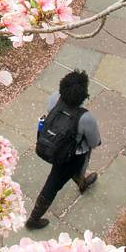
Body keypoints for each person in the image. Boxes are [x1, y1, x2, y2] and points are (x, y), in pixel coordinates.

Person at [26, 70, 102, 230]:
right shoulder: (85, 118)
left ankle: (81, 182)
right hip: (71, 157)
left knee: (66, 175)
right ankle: (33, 220)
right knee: (52, 185)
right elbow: (94, 142)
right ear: (83, 95)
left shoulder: (54, 98)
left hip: (52, 145)